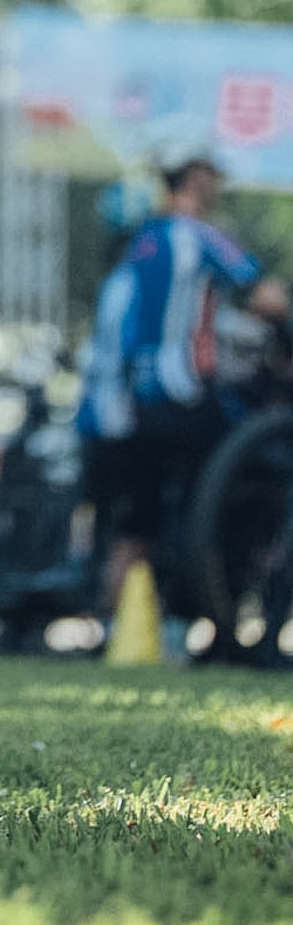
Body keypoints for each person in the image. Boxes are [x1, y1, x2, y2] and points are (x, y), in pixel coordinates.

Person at [82, 139, 289, 623]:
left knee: (141, 522)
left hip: (135, 402)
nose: (217, 184)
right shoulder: (198, 234)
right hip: (186, 392)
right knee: (232, 496)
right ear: (194, 177)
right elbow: (267, 298)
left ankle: (117, 628)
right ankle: (209, 613)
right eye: (211, 174)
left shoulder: (143, 242)